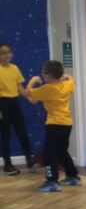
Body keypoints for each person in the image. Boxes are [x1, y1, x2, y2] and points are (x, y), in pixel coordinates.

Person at [24, 60, 77, 192]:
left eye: (43, 73)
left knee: (49, 153)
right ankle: (73, 176)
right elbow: (71, 78)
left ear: (48, 76)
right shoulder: (65, 85)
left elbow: (28, 93)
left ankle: (52, 181)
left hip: (54, 124)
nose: (42, 75)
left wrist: (32, 81)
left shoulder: (48, 88)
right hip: (66, 123)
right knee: (61, 151)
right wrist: (64, 77)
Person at [0, 43, 36, 175]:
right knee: (6, 135)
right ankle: (7, 165)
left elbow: (20, 89)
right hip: (2, 103)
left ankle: (30, 159)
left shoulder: (14, 68)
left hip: (14, 102)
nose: (6, 55)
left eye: (8, 52)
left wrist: (30, 97)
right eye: (3, 53)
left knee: (22, 131)